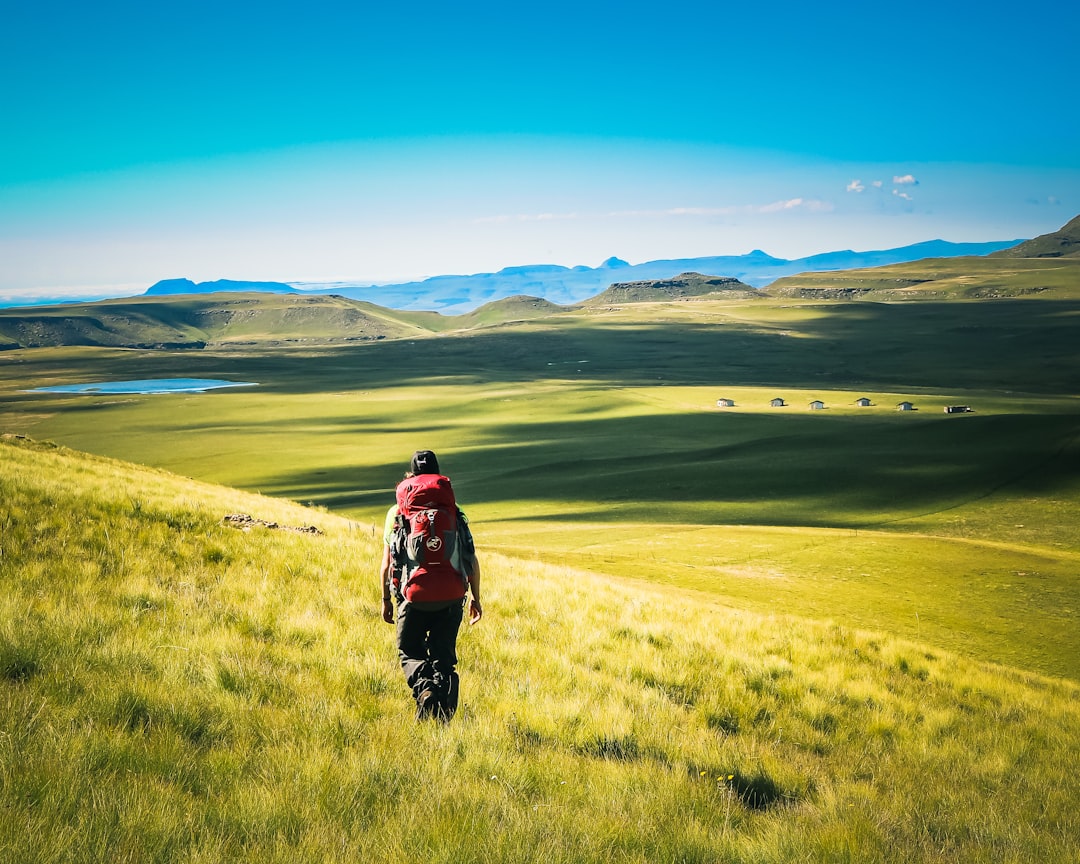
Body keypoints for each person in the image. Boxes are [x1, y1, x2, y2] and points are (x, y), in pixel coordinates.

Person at [379, 449, 482, 721]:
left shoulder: (396, 512)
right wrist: (476, 598)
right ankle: (443, 710)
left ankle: (425, 691)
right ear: (437, 475)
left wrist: (386, 600)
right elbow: (470, 558)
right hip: (452, 594)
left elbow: (387, 564)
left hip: (412, 596)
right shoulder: (455, 510)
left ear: (412, 476)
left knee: (410, 650)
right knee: (443, 656)